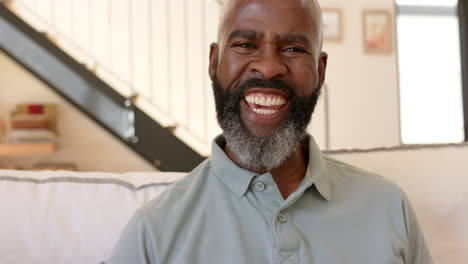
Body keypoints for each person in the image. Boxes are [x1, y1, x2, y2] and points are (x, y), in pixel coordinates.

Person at [108, 0, 433, 263]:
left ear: (320, 71)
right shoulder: (154, 232)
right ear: (214, 62)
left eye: (293, 49)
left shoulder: (389, 208)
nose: (268, 66)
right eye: (246, 44)